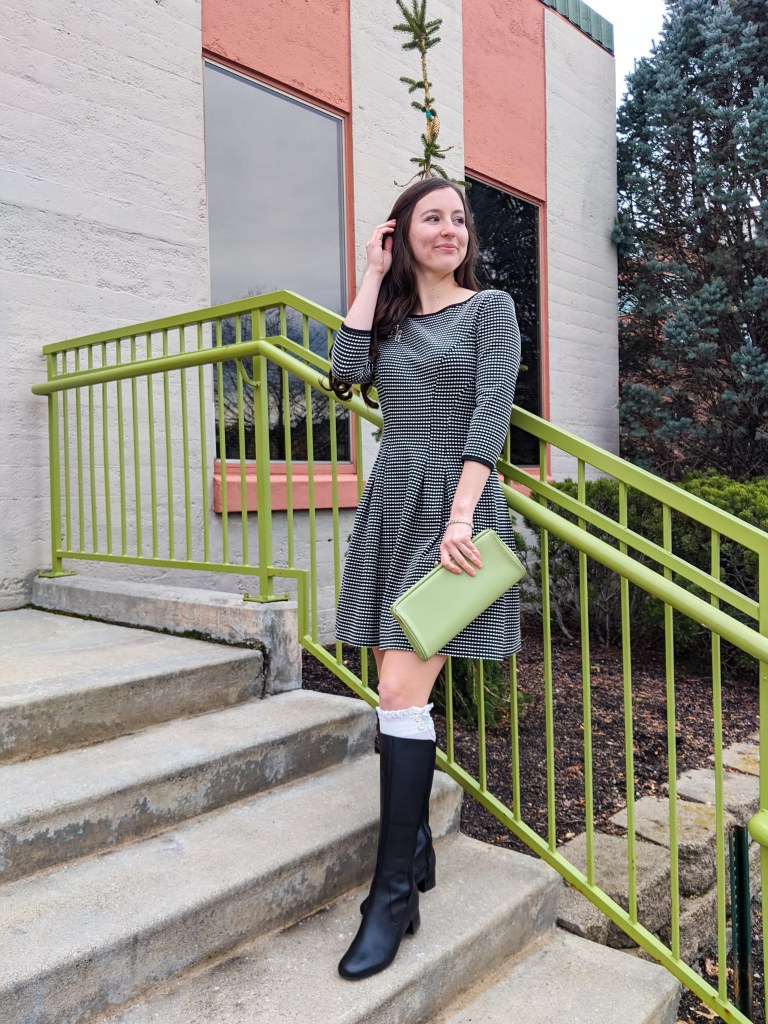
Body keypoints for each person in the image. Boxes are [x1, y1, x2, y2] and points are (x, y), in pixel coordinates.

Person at [328, 177, 521, 981]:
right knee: (393, 692)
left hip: (456, 510)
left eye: (458, 219)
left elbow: (490, 413)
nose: (449, 229)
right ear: (402, 231)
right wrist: (372, 278)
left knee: (403, 694)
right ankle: (417, 853)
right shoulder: (395, 319)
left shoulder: (492, 310)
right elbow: (342, 373)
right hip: (393, 502)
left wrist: (459, 515)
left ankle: (391, 895)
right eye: (431, 218)